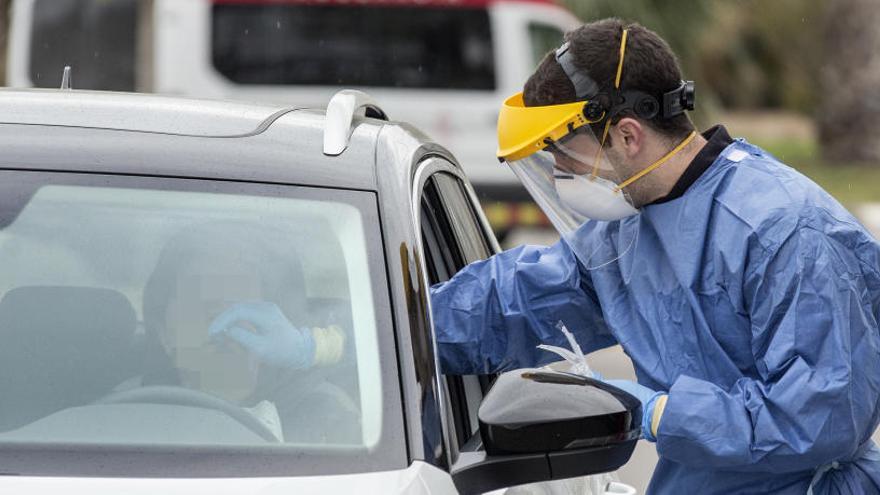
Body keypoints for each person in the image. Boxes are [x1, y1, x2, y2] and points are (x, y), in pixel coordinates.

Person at [429, 19, 880, 494]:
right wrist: (382, 324)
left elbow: (818, 418)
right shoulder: (626, 230)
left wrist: (659, 413)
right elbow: (513, 304)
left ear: (627, 135)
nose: (559, 169)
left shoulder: (786, 231)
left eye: (561, 149)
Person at [140, 222, 356, 443]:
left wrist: (317, 347)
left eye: (238, 304)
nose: (223, 323)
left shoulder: (328, 418)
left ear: (273, 325)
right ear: (164, 334)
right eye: (202, 305)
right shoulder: (125, 414)